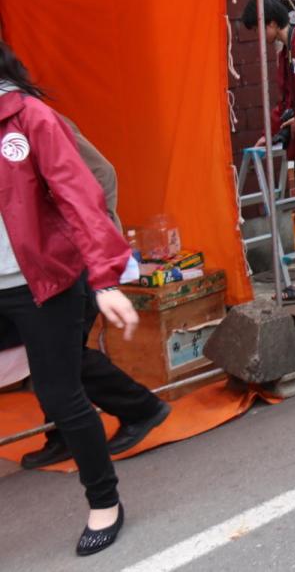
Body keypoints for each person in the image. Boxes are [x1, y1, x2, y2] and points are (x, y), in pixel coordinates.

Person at [0, 43, 140, 555]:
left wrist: (105, 278)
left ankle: (105, 502)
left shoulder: (29, 117)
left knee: (61, 393)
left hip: (40, 280)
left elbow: (82, 195)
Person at [20, 123, 170, 470]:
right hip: (37, 261)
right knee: (47, 349)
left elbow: (103, 173)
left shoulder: (34, 117)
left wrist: (92, 235)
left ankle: (141, 408)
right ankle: (63, 433)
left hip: (72, 256)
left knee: (62, 352)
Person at [241, 0, 295, 304]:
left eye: (258, 28)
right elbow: (286, 103)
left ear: (272, 23)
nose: (258, 36)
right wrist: (271, 132)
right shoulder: (285, 52)